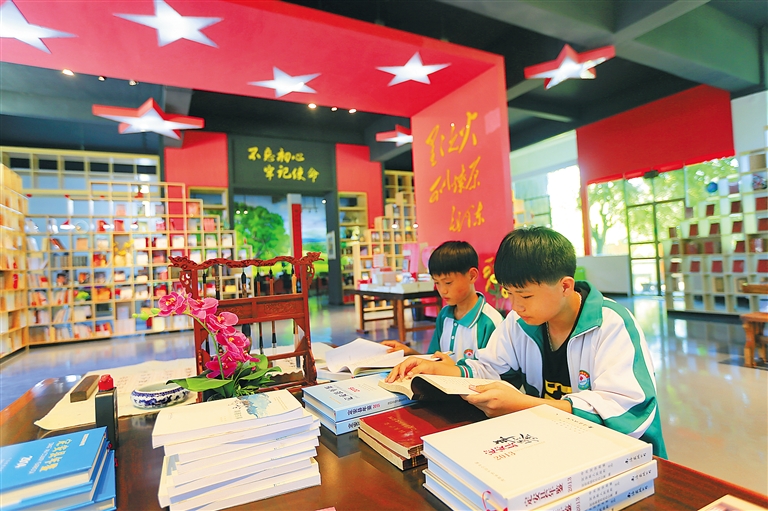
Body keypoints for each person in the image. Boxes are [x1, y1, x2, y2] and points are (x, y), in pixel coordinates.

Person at [386, 227, 667, 457]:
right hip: (554, 448)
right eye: (510, 293)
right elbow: (489, 367)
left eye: (525, 296)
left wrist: (522, 404)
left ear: (565, 286)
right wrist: (437, 369)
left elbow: (625, 413)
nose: (516, 306)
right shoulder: (519, 322)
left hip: (624, 458)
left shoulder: (611, 324)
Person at [382, 240, 503, 363]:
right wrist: (409, 353)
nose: (442, 290)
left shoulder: (491, 322)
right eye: (437, 283)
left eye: (448, 282)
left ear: (472, 276)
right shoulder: (444, 315)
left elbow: (492, 371)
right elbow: (434, 360)